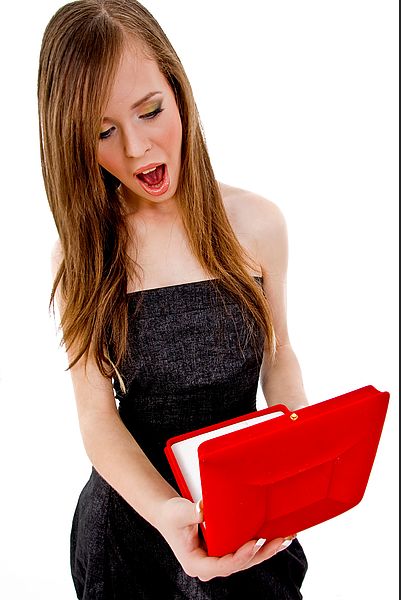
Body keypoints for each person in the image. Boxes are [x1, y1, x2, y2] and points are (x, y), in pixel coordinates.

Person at [38, 1, 310, 597]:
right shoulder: (82, 252)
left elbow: (279, 355)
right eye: (103, 132)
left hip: (246, 517)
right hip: (133, 531)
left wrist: (297, 460)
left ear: (178, 92)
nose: (136, 148)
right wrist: (167, 514)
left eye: (151, 111)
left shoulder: (258, 223)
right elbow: (96, 415)